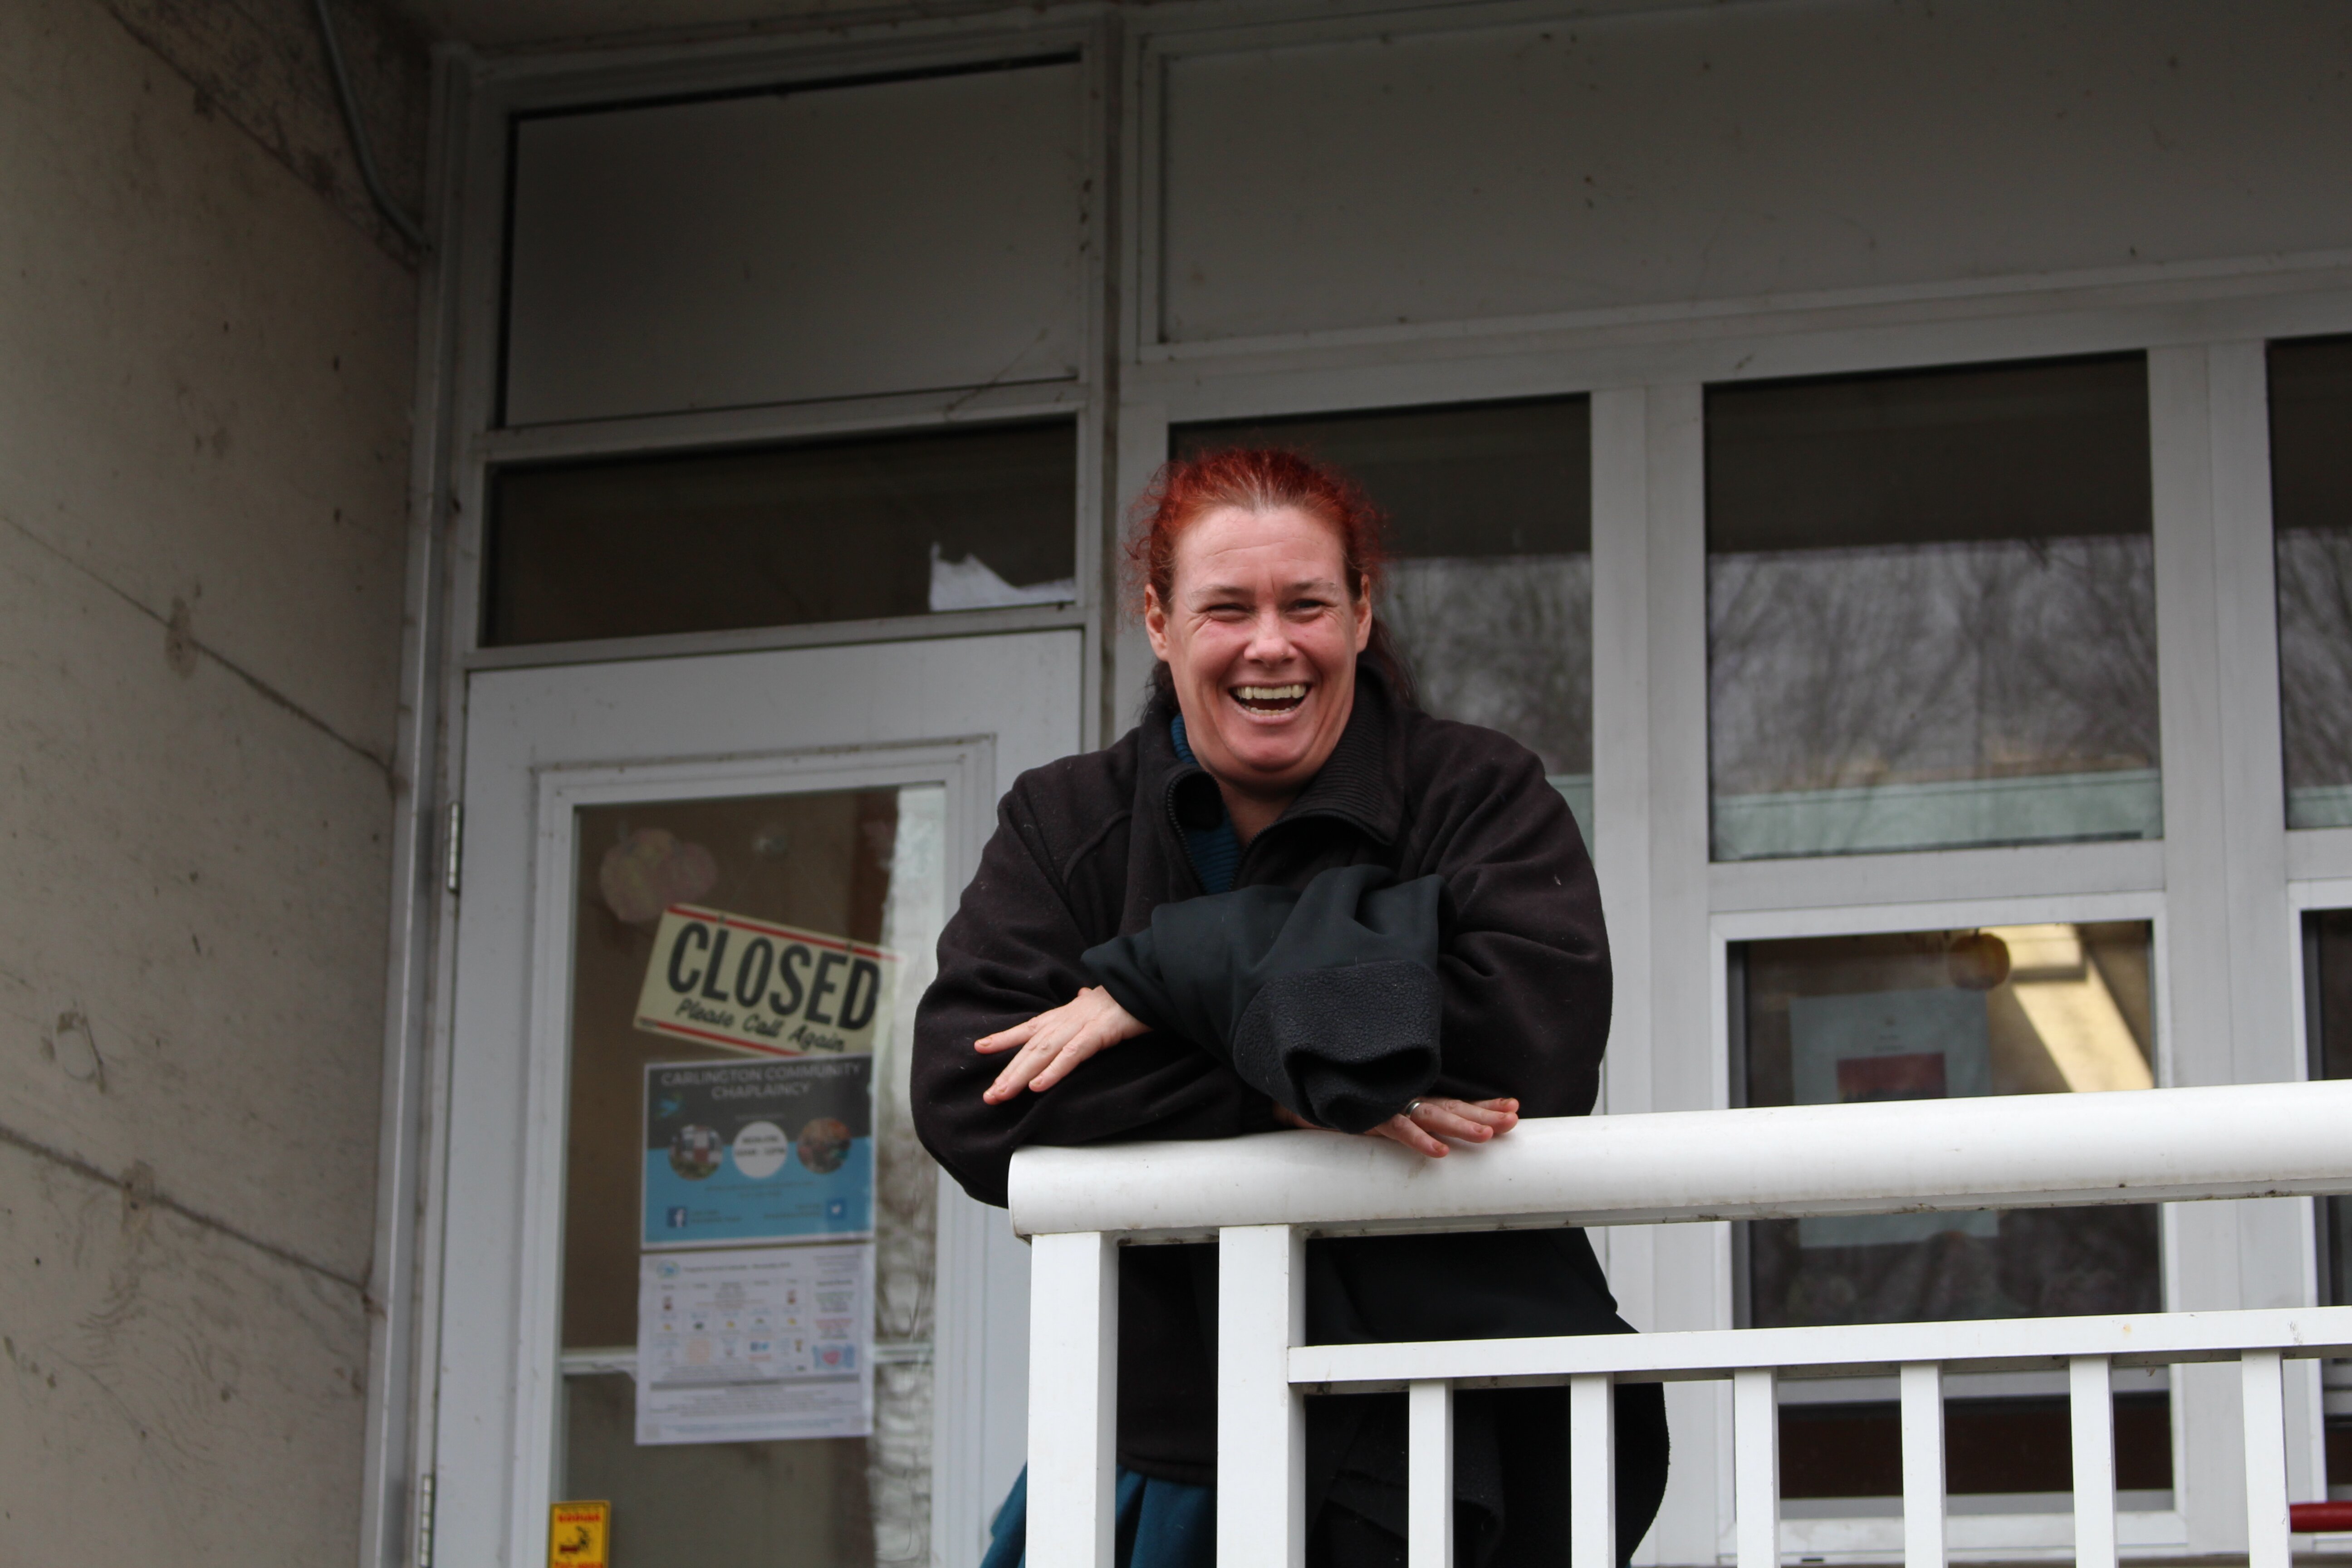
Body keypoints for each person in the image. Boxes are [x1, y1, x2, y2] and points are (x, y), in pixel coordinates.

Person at [912, 448, 1669, 1568]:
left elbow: (1528, 1052)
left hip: (1457, 1434)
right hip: (1171, 1459)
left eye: (1306, 604)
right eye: (1227, 608)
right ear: (1160, 623)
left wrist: (1162, 978)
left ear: (1361, 614)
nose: (1270, 645)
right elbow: (974, 1093)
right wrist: (1296, 1085)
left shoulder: (1475, 792)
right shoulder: (1065, 822)